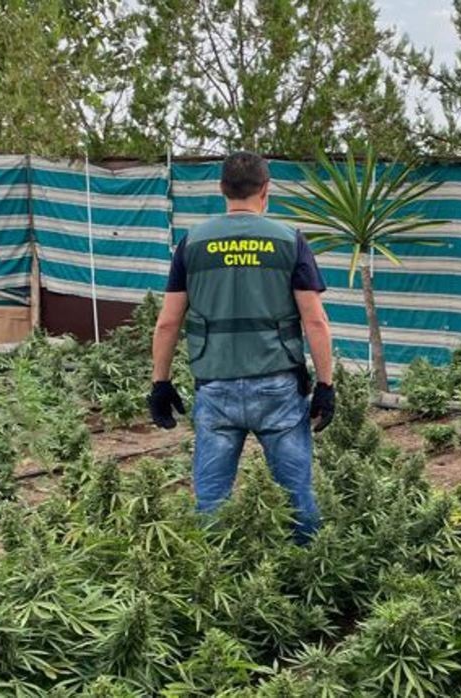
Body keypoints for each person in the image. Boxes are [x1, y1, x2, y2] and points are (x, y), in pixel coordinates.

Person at [147, 151, 335, 543]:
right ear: (266, 190)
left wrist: (160, 384)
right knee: (296, 496)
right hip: (278, 388)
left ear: (222, 189)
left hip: (215, 386)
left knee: (212, 502)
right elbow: (315, 320)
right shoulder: (289, 241)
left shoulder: (192, 244)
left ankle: (213, 568)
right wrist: (325, 385)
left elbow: (167, 321)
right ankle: (305, 568)